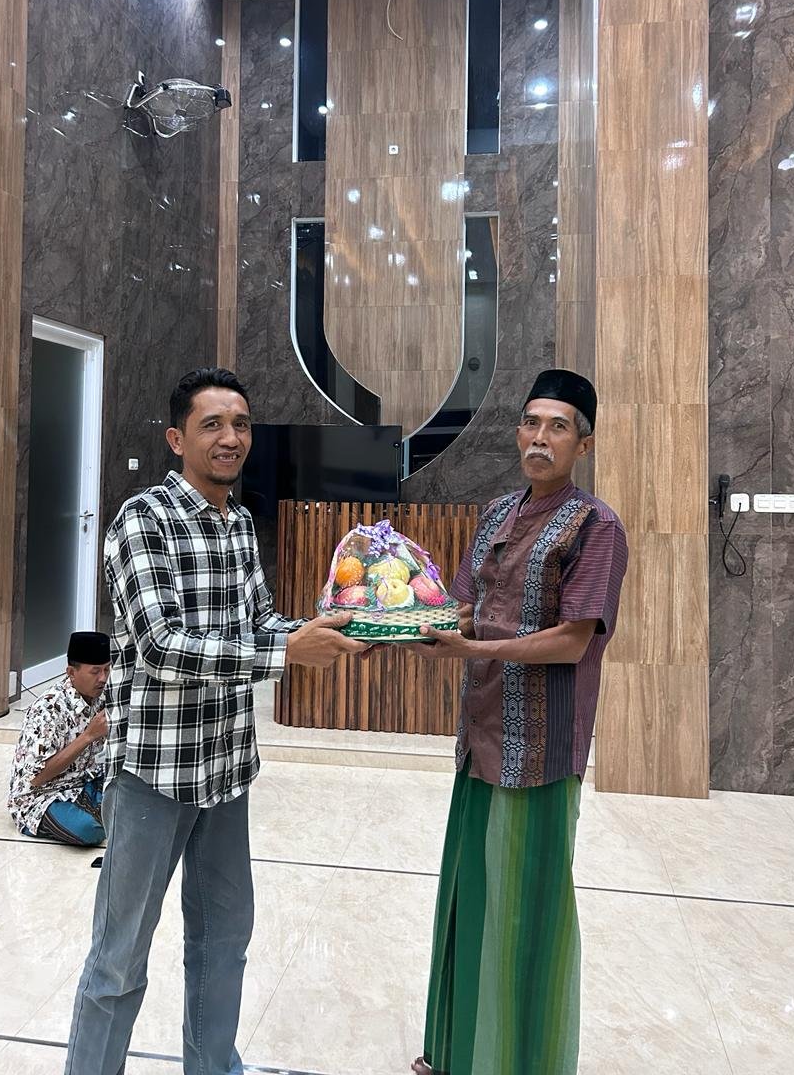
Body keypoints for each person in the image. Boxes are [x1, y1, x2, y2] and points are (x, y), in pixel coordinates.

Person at [64, 367, 365, 1075]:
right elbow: (162, 646)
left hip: (227, 771)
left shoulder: (239, 523)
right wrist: (286, 650)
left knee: (224, 943)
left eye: (241, 424)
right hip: (154, 776)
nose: (231, 438)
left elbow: (259, 623)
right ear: (177, 439)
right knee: (119, 958)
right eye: (212, 425)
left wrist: (332, 627)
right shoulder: (143, 521)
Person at [410, 369, 629, 1075]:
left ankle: (520, 1062)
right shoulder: (498, 512)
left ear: (582, 444)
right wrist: (400, 624)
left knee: (527, 911)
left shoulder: (597, 528)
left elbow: (573, 639)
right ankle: (457, 1054)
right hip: (479, 740)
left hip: (539, 748)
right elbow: (464, 608)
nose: (539, 438)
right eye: (531, 423)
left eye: (557, 427)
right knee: (470, 893)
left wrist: (473, 649)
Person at [8, 631, 111, 847]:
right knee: (89, 830)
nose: (103, 678)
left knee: (138, 801)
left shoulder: (102, 697)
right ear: (71, 672)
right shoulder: (47, 709)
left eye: (106, 669)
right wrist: (88, 736)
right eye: (95, 672)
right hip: (43, 797)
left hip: (85, 784)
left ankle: (97, 810)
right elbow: (36, 778)